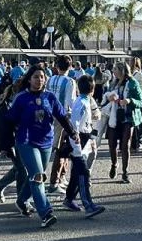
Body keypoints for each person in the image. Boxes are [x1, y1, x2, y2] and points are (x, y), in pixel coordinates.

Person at [7, 64, 78, 229]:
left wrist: (73, 132)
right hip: (26, 141)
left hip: (46, 142)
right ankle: (46, 213)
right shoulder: (21, 98)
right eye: (35, 77)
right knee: (38, 176)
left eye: (42, 77)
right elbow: (9, 120)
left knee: (36, 176)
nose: (39, 80)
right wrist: (6, 144)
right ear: (29, 80)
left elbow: (61, 116)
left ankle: (21, 200)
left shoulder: (50, 97)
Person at [62, 74, 105, 217]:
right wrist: (76, 147)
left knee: (76, 173)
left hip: (83, 138)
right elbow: (75, 125)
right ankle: (88, 205)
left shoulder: (85, 101)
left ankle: (69, 199)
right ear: (92, 89)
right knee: (83, 172)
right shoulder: (82, 103)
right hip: (78, 140)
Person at [102, 61, 142, 184]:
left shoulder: (132, 83)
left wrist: (129, 100)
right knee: (111, 143)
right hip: (114, 116)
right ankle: (114, 164)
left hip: (127, 118)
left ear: (122, 71)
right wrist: (109, 97)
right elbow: (105, 97)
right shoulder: (113, 83)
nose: (113, 72)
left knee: (125, 145)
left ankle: (125, 172)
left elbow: (140, 101)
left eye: (115, 69)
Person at [45, 55, 78, 194]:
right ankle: (54, 181)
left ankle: (62, 175)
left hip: (49, 114)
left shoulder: (50, 79)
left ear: (57, 66)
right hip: (63, 116)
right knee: (61, 148)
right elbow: (71, 100)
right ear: (70, 67)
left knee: (60, 146)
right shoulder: (70, 81)